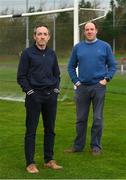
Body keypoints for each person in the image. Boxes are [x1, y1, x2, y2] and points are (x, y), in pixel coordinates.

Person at [65, 22, 116, 155]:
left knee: (98, 118)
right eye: (87, 29)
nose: (89, 31)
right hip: (82, 88)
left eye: (91, 29)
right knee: (81, 118)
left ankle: (96, 147)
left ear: (96, 31)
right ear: (84, 32)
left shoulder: (105, 46)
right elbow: (71, 66)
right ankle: (78, 146)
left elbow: (112, 66)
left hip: (99, 87)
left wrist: (106, 79)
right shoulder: (78, 48)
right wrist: (76, 81)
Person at [17, 24, 62, 173]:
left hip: (50, 97)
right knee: (31, 130)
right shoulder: (27, 53)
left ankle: (49, 160)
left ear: (48, 37)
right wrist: (31, 93)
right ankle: (30, 163)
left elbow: (57, 75)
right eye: (39, 34)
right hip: (34, 97)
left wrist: (55, 91)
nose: (42, 36)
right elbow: (21, 77)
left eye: (45, 34)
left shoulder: (51, 54)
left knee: (50, 130)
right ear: (34, 36)